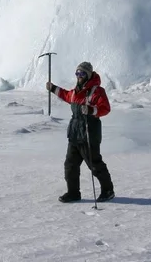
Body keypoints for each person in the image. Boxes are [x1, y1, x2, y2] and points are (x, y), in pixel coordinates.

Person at [46, 61, 115, 203]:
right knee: (70, 165)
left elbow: (105, 108)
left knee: (95, 165)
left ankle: (108, 191)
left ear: (88, 75)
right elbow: (66, 95)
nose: (79, 76)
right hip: (75, 134)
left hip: (89, 133)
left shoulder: (97, 91)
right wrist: (53, 88)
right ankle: (73, 193)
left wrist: (92, 110)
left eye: (82, 73)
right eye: (77, 73)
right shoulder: (76, 91)